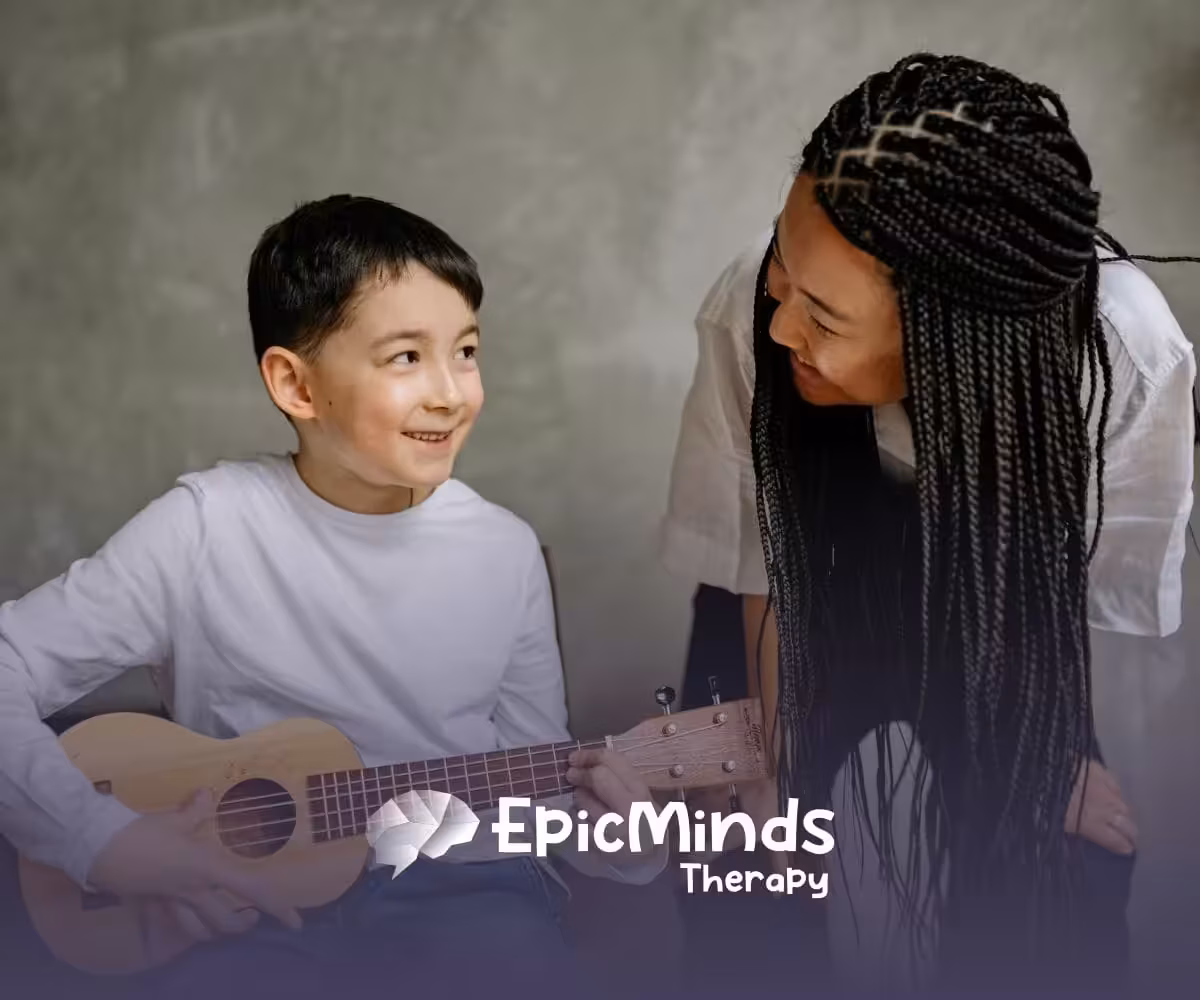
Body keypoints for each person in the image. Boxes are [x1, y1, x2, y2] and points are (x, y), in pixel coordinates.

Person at [0, 195, 666, 1000]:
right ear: (296, 385)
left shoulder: (503, 551)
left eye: (465, 351)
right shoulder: (205, 527)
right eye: (405, 358)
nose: (451, 393)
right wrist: (106, 841)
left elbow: (539, 790)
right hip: (247, 901)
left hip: (460, 892)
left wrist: (621, 836)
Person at [661, 53, 1196, 998]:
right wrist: (770, 761)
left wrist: (1047, 753)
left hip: (997, 610)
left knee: (1062, 876)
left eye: (824, 317)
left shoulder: (1122, 355)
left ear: (954, 335)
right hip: (792, 588)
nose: (786, 327)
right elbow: (756, 557)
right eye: (787, 275)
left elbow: (1077, 581)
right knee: (737, 865)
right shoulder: (756, 302)